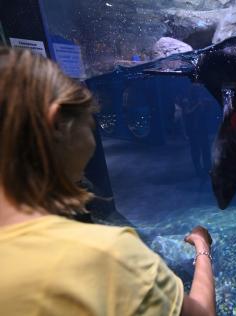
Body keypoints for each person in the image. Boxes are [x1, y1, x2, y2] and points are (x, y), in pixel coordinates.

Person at [0, 48, 216, 316]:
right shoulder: (107, 255)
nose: (93, 133)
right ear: (56, 123)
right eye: (91, 120)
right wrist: (201, 246)